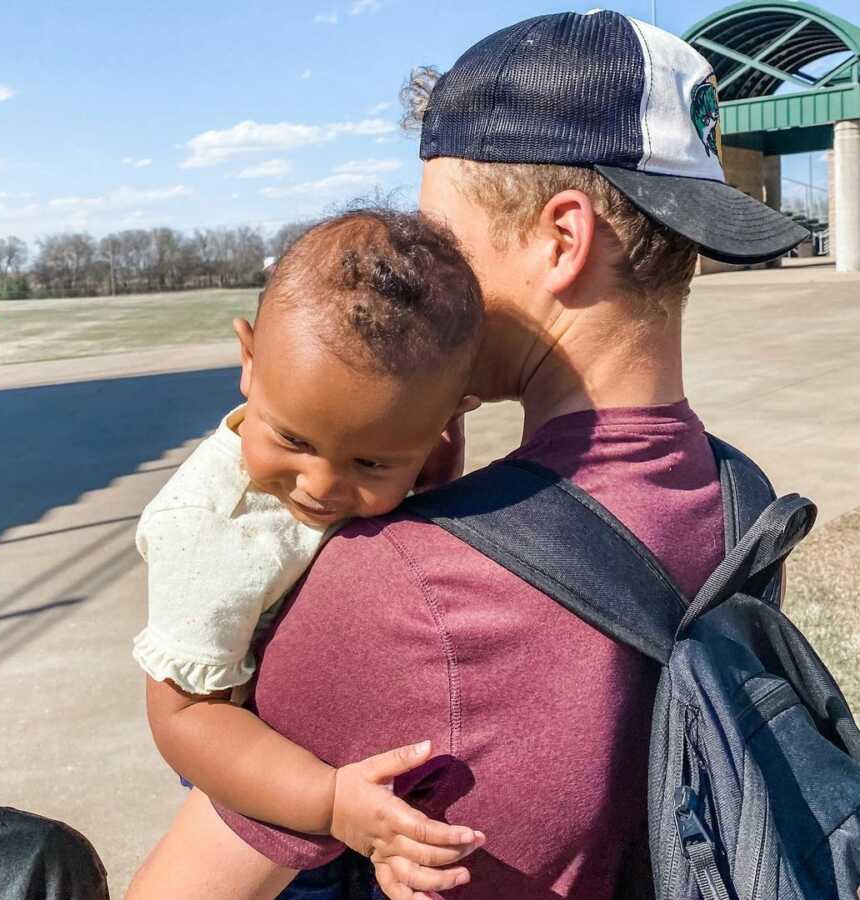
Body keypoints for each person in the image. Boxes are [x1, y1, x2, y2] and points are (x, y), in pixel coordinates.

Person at [127, 10, 807, 900]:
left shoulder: (410, 584)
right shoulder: (740, 500)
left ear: (562, 241)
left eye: (440, 237)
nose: (416, 280)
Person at [131, 209, 486, 897]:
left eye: (372, 461)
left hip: (350, 774)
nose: (321, 484)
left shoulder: (385, 430)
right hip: (265, 782)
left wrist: (431, 477)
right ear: (248, 360)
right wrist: (327, 803)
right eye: (292, 440)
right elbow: (183, 721)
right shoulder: (211, 527)